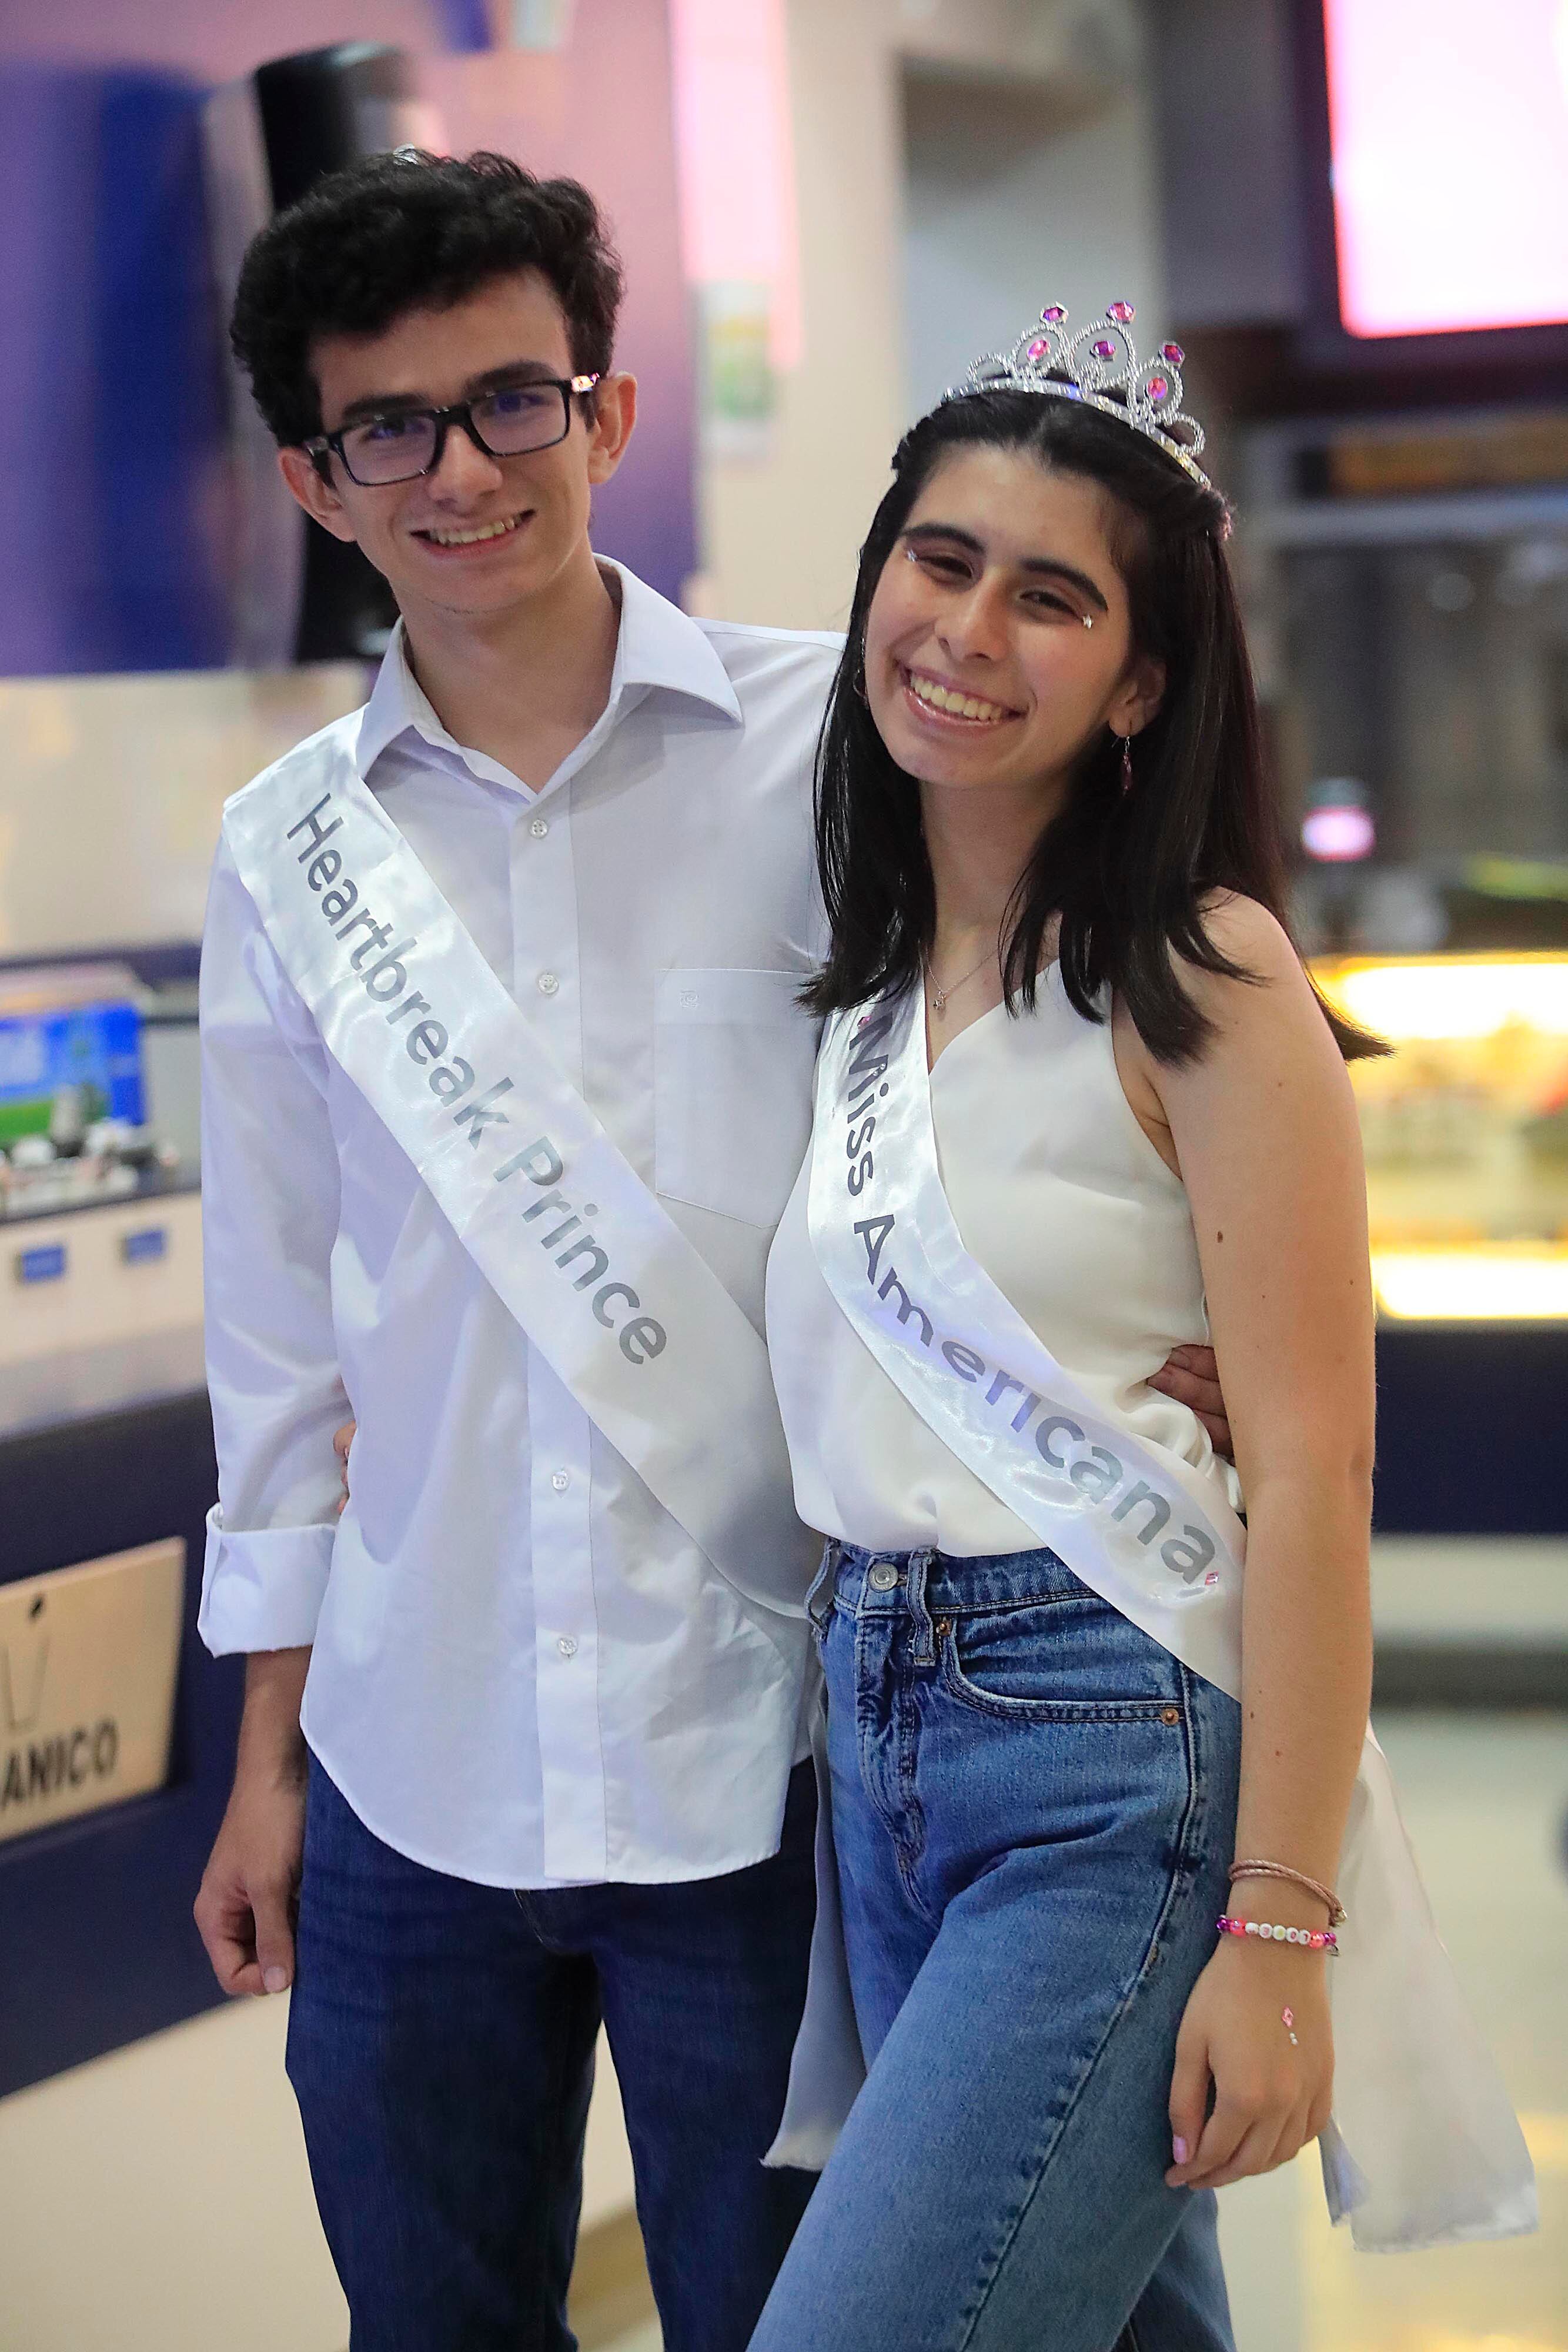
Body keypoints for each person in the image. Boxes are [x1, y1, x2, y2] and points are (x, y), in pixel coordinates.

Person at [191, 156, 1235, 2352]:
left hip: (775, 1757)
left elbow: (1084, 1028)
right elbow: (281, 1350)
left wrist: (1167, 1320)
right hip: (411, 1760)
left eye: (514, 399)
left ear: (613, 407)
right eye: (391, 426)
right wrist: (267, 1761)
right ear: (316, 478)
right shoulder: (280, 857)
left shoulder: (847, 746)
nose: (465, 470)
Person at [751, 308, 1535, 2350]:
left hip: (1112, 1751)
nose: (968, 629)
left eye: (1050, 596)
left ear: (1139, 682)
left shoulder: (1202, 968)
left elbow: (1312, 1470)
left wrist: (1280, 1921)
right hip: (879, 1735)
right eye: (938, 562)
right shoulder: (862, 986)